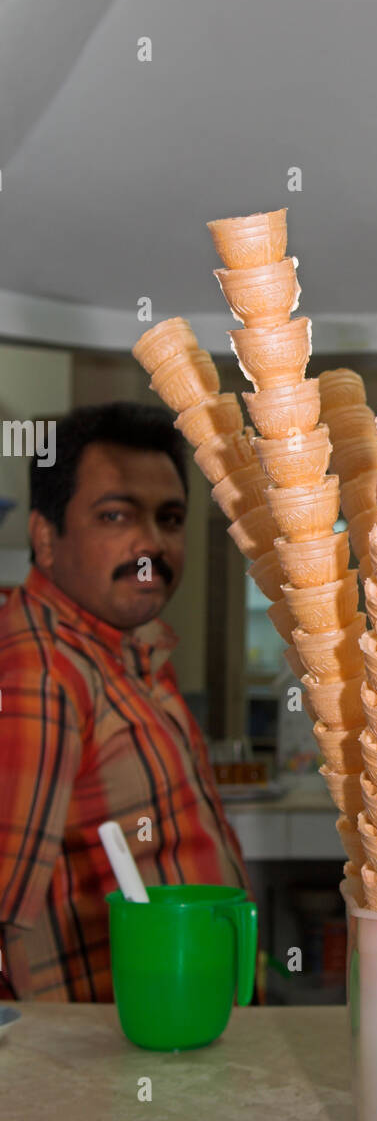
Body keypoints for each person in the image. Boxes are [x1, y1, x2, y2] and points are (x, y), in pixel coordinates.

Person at [0, 402, 251, 1002]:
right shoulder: (41, 668)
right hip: (111, 1067)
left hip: (170, 1049)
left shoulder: (126, 650)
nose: (151, 545)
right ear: (45, 535)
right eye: (116, 515)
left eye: (169, 519)